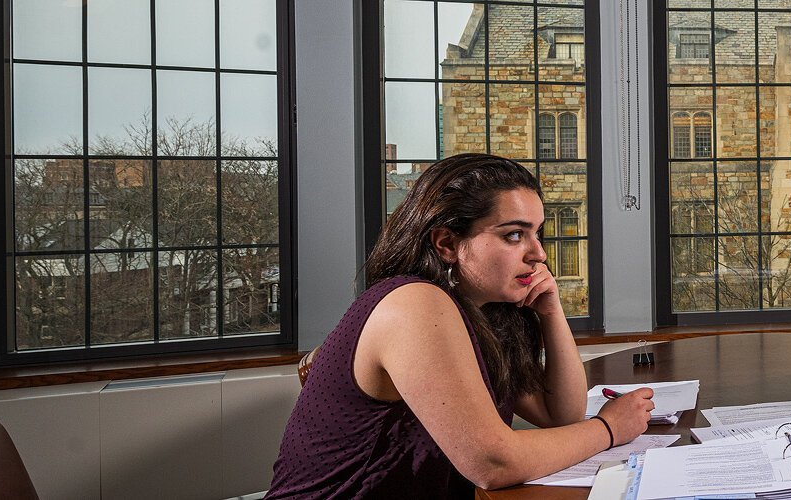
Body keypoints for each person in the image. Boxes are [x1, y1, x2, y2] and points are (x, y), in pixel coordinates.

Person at [268, 153, 656, 498]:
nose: (538, 253)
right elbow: (492, 464)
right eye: (514, 235)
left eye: (537, 233)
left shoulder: (482, 312)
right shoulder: (414, 303)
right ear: (447, 244)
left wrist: (551, 312)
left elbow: (561, 416)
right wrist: (608, 429)